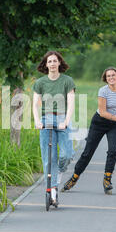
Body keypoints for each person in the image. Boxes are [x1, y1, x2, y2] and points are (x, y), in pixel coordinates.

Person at [62, 67, 116, 194]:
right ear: (105, 79)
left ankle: (107, 180)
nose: (111, 77)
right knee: (88, 153)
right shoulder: (103, 91)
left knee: (113, 151)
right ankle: (74, 178)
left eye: (113, 75)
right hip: (99, 122)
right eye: (108, 76)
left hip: (114, 124)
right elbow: (103, 112)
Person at [33, 51, 76, 205]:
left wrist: (65, 121)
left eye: (54, 61)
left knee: (67, 154)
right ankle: (52, 192)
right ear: (46, 64)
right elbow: (35, 105)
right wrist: (38, 121)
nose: (52, 64)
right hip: (46, 119)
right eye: (49, 61)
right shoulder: (40, 83)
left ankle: (57, 176)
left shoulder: (67, 81)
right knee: (48, 159)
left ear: (59, 63)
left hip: (63, 118)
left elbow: (71, 103)